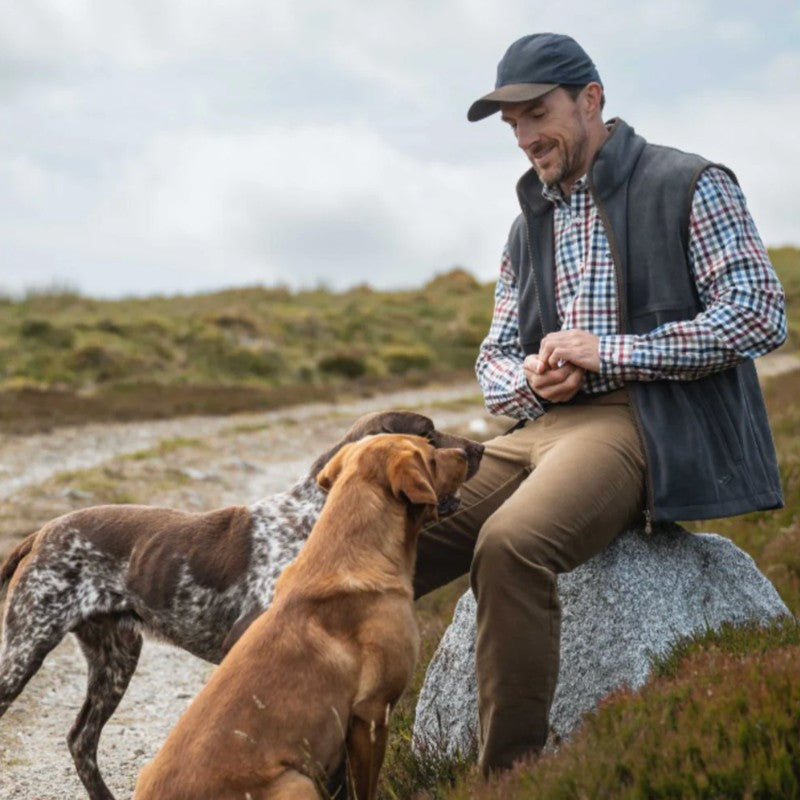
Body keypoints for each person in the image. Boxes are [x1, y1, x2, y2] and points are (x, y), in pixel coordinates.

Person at [412, 33, 786, 775]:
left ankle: (506, 780)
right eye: (510, 124)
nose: (522, 137)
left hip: (642, 424)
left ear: (592, 98)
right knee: (385, 533)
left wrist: (609, 354)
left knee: (511, 546)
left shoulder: (691, 182)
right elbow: (492, 360)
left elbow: (758, 314)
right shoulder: (529, 224)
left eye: (535, 113)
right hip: (543, 425)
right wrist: (530, 380)